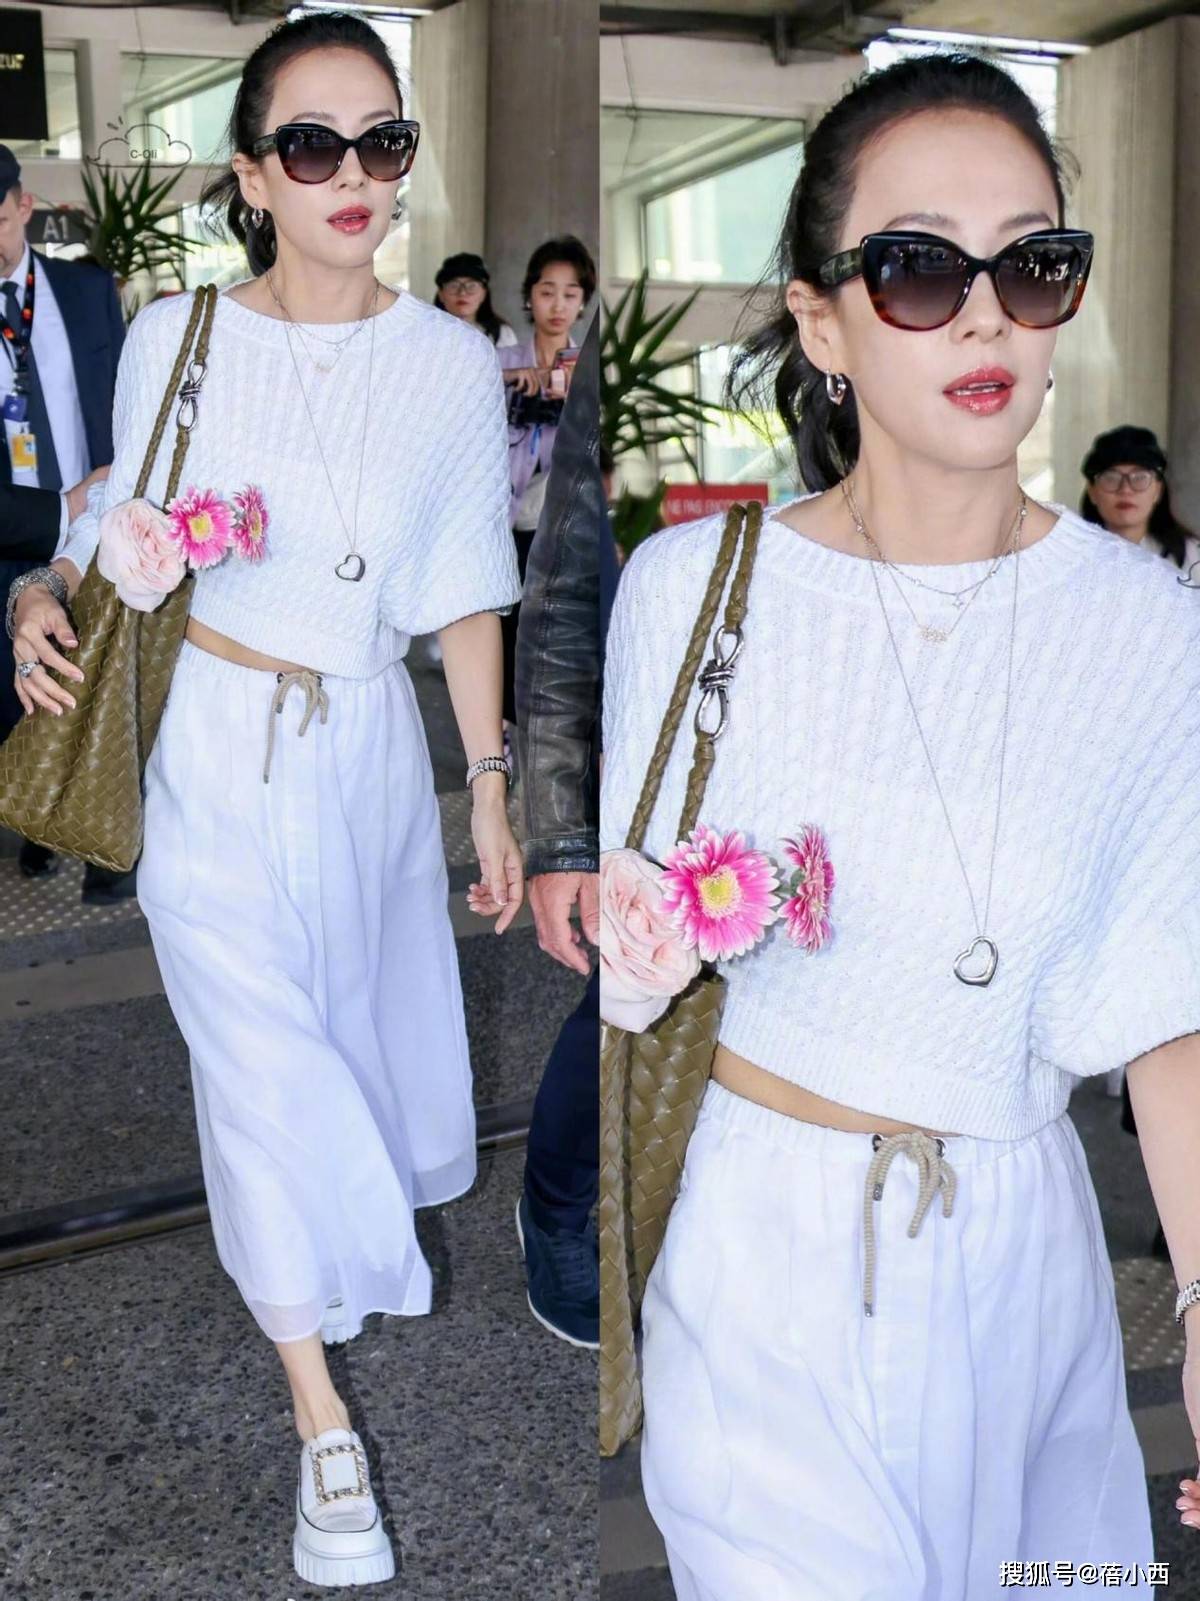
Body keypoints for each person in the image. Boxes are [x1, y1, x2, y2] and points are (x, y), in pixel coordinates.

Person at [600, 52, 1200, 1599]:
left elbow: (1169, 1009)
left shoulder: (1148, 627)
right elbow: (637, 948)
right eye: (921, 269)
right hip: (764, 1259)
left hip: (1029, 1259)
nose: (987, 315)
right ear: (823, 324)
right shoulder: (688, 595)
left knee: (1063, 1583)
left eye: (1033, 264)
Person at [8, 13, 524, 1588]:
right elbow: (110, 515)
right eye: (312, 145)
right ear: (251, 175)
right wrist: (38, 584)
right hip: (206, 749)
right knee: (258, 1068)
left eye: (383, 141)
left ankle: (315, 1289)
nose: (351, 174)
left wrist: (489, 788)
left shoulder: (450, 363)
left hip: (364, 752)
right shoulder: (175, 335)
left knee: (342, 1045)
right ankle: (324, 1428)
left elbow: (465, 589)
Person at [494, 315, 609, 1349]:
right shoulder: (610, 357)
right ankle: (559, 1208)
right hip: (664, 715)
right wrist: (560, 835)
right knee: (628, 992)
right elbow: (565, 592)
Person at [0, 143, 130, 900]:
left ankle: (109, 853)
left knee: (100, 684)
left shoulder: (86, 291)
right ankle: (36, 824)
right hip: (9, 541)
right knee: (20, 700)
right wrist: (60, 506)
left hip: (99, 539)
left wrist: (105, 507)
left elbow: (127, 407)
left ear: (23, 206)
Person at [496, 235, 595, 746]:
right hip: (502, 517)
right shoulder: (500, 361)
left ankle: (543, 736)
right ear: (529, 296)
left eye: (570, 294)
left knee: (549, 629)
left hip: (559, 522)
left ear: (583, 302)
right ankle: (500, 736)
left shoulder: (590, 369)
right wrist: (515, 390)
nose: (558, 306)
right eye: (547, 292)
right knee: (503, 625)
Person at [1080, 423, 1200, 577]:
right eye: (1111, 478)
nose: (1125, 489)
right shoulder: (1068, 553)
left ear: (1158, 490)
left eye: (1139, 478)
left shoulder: (1192, 556)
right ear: (1092, 492)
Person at [433, 250, 517, 346]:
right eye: (454, 286)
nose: (462, 293)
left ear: (484, 294)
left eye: (471, 286)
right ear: (441, 294)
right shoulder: (427, 331)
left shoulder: (502, 334)